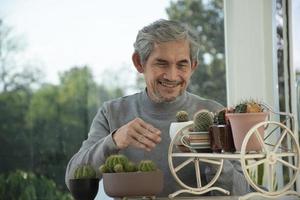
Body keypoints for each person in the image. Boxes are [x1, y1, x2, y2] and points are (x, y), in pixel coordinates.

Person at [65, 19, 250, 197]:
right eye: (161, 63)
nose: (172, 75)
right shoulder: (112, 113)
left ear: (193, 66)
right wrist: (113, 141)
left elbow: (242, 193)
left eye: (182, 64)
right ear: (139, 62)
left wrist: (212, 156)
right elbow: (73, 178)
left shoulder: (215, 115)